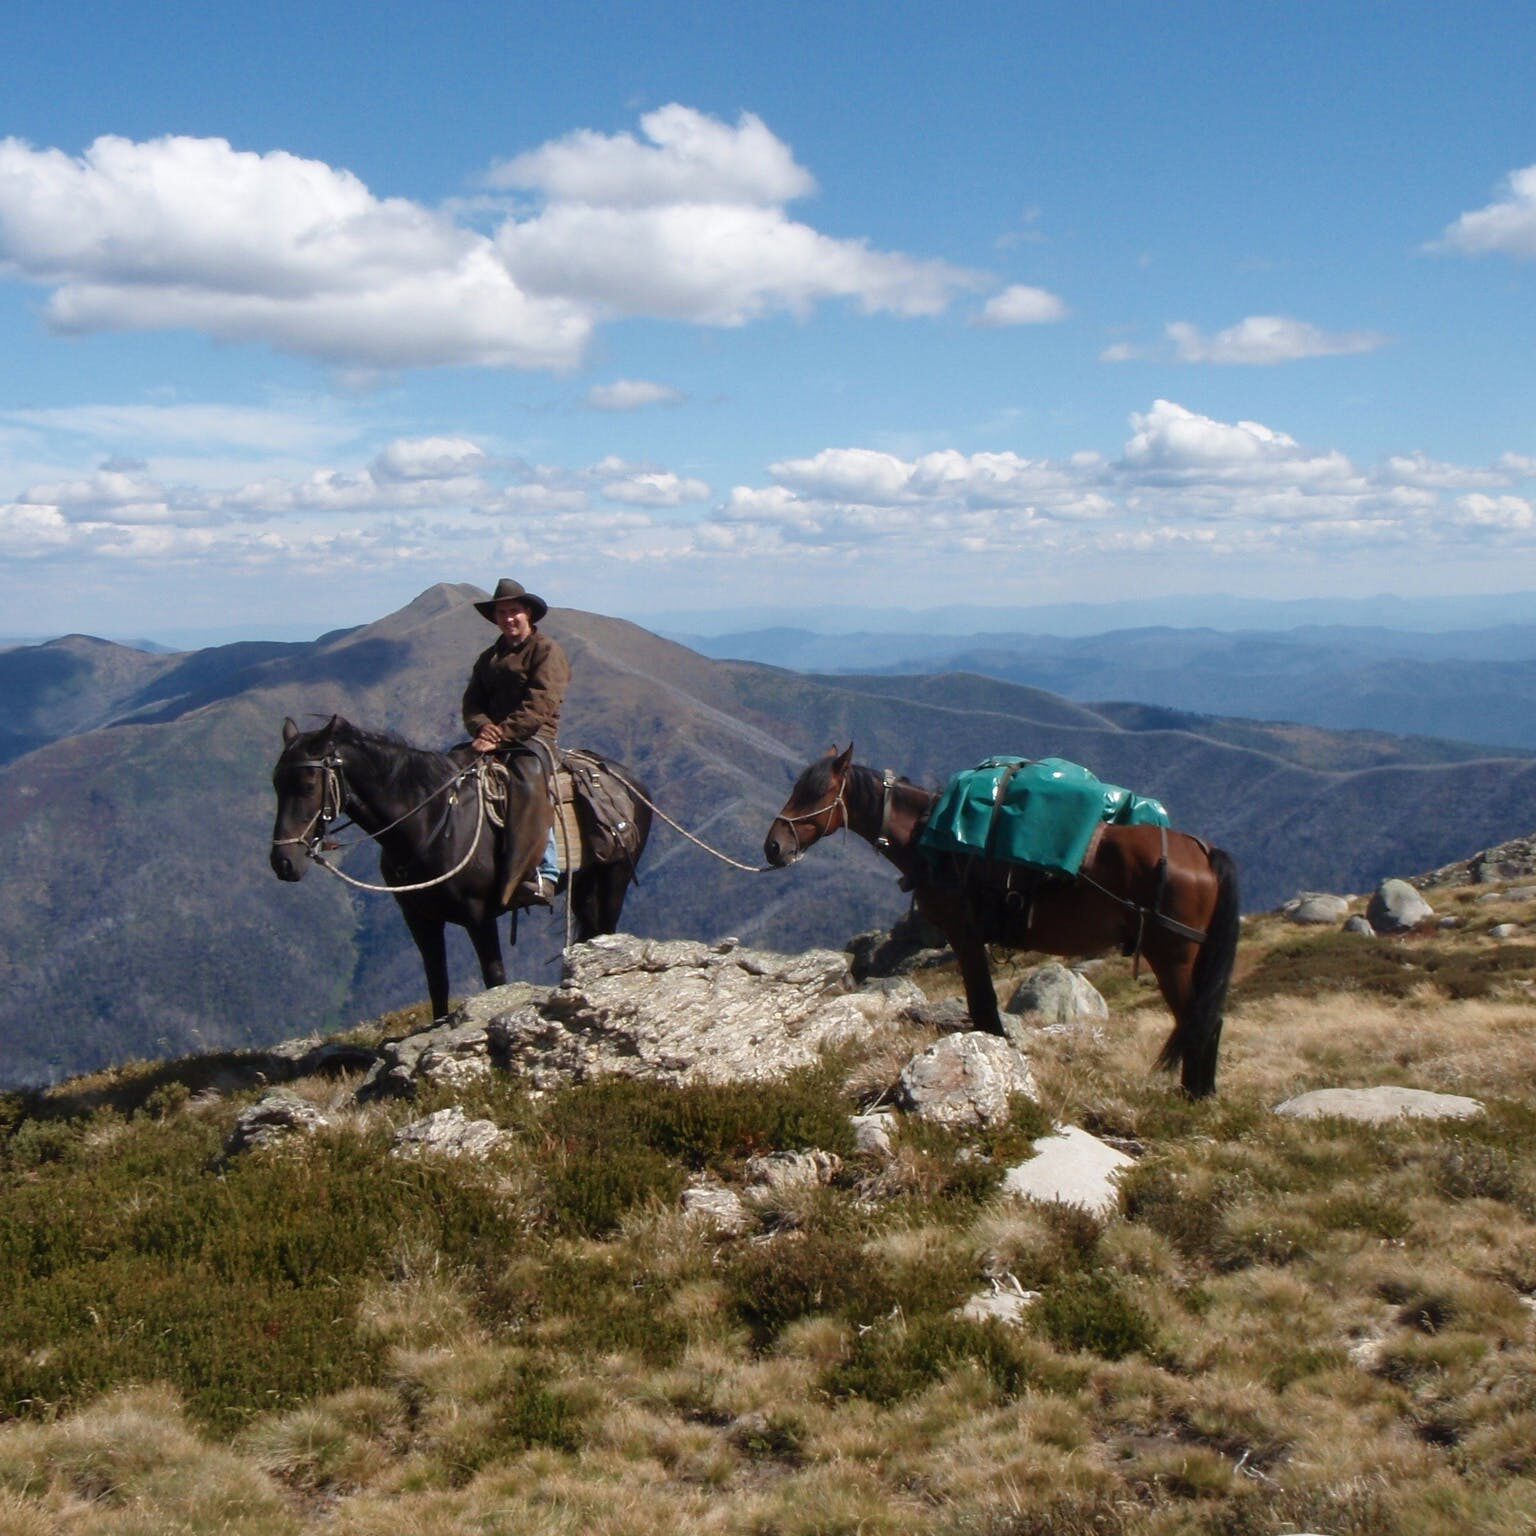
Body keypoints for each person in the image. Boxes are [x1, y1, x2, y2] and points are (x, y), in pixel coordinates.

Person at [462, 578, 570, 907]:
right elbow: (472, 703)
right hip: (492, 739)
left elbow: (541, 703)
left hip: (534, 739)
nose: (508, 618)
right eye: (502, 613)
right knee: (454, 775)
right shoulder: (488, 658)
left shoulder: (546, 651)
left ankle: (546, 872)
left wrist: (502, 735)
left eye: (514, 612)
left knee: (528, 782)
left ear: (528, 614)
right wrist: (483, 728)